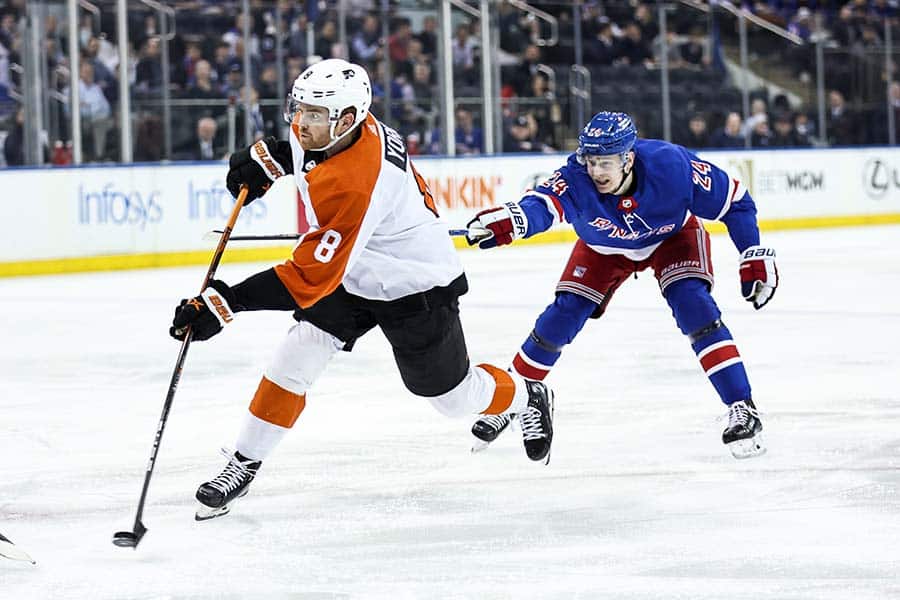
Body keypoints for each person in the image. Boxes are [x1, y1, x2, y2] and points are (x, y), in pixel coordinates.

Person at [169, 59, 555, 521]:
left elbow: (308, 278)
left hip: (414, 283)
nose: (301, 122)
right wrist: (266, 162)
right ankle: (244, 461)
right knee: (297, 355)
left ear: (348, 119)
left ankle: (523, 395)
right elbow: (298, 152)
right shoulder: (337, 125)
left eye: (314, 115)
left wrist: (224, 302)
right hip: (354, 270)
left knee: (452, 400)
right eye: (299, 109)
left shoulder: (360, 181)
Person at [465, 111, 778, 459]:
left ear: (628, 158)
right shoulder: (576, 176)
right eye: (591, 161)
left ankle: (742, 406)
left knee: (695, 308)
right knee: (561, 318)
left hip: (671, 240)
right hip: (604, 248)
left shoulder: (672, 166)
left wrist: (752, 250)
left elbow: (736, 202)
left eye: (605, 163)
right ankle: (515, 397)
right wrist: (513, 219)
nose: (595, 172)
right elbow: (543, 205)